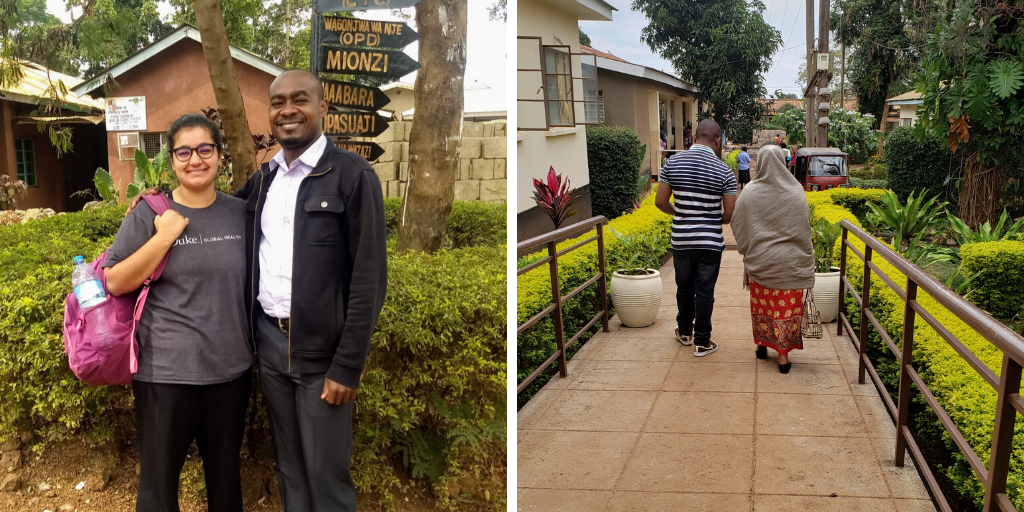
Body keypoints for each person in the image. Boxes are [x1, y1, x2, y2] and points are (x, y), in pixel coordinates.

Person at [236, 69, 388, 511]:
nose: (287, 110)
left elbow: (369, 279)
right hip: (270, 347)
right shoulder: (265, 179)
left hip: (324, 357)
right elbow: (218, 210)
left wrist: (348, 366)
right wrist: (157, 203)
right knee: (290, 469)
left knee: (326, 474)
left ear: (323, 107)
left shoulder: (353, 176)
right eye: (278, 101)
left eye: (299, 100)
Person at [105, 114, 253, 512]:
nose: (195, 160)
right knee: (158, 490)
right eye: (183, 152)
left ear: (220, 156)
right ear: (171, 161)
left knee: (225, 485)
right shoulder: (149, 213)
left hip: (230, 374)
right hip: (164, 376)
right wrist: (165, 234)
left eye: (205, 149)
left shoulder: (242, 214)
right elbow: (115, 281)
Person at [655, 119, 738, 356]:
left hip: (682, 239)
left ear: (693, 138)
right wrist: (713, 219)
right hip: (710, 242)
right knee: (704, 290)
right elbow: (729, 214)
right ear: (718, 140)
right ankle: (702, 341)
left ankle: (684, 332)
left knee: (684, 287)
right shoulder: (724, 170)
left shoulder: (672, 162)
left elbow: (660, 201)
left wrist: (680, 213)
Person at [729, 145, 815, 374]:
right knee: (784, 309)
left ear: (760, 162)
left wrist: (749, 249)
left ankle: (761, 344)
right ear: (783, 162)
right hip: (791, 265)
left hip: (761, 264)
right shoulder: (796, 190)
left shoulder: (750, 191)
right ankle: (783, 356)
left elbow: (736, 223)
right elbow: (805, 227)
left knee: (764, 306)